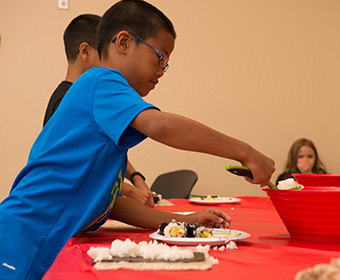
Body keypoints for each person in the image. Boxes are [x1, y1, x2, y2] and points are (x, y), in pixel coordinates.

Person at [0, 0, 275, 278]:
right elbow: (161, 126)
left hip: (32, 238)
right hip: (22, 238)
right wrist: (246, 152)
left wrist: (182, 220)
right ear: (123, 42)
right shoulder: (100, 80)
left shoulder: (106, 120)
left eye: (166, 65)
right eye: (160, 57)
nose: (160, 72)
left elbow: (111, 204)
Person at [43, 14, 154, 207]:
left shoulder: (88, 96)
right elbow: (79, 169)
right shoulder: (68, 101)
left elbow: (105, 144)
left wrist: (135, 177)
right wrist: (129, 190)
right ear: (85, 51)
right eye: (104, 54)